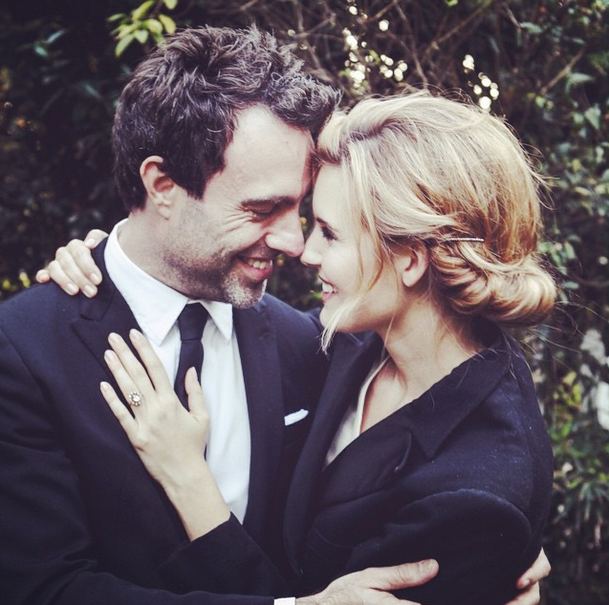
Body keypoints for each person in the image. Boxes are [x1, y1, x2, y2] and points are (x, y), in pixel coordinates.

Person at [45, 92, 555, 605]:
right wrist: (123, 261)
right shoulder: (352, 342)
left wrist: (187, 477)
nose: (303, 250)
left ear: (410, 259)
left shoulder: (475, 497)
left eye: (329, 234)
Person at [0, 25, 447, 605]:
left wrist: (483, 563)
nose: (293, 242)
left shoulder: (305, 343)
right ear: (162, 184)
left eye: (299, 208)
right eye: (262, 209)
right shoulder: (25, 350)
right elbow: (42, 589)